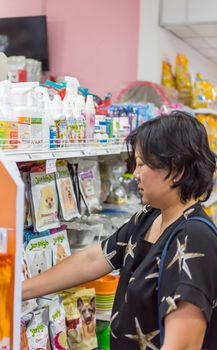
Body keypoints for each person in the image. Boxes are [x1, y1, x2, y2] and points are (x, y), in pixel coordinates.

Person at [23, 110, 217, 350]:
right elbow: (92, 259)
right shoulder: (150, 216)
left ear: (175, 170)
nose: (135, 173)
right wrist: (19, 291)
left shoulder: (194, 238)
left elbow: (184, 345)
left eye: (142, 164)